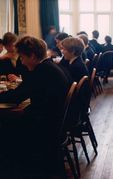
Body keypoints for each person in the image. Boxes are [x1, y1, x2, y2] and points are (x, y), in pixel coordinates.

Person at [0, 36, 70, 178]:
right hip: (54, 123)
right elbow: (24, 91)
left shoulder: (42, 72)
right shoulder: (49, 67)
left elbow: (18, 95)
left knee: (5, 129)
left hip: (45, 128)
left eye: (23, 57)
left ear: (32, 56)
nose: (23, 62)